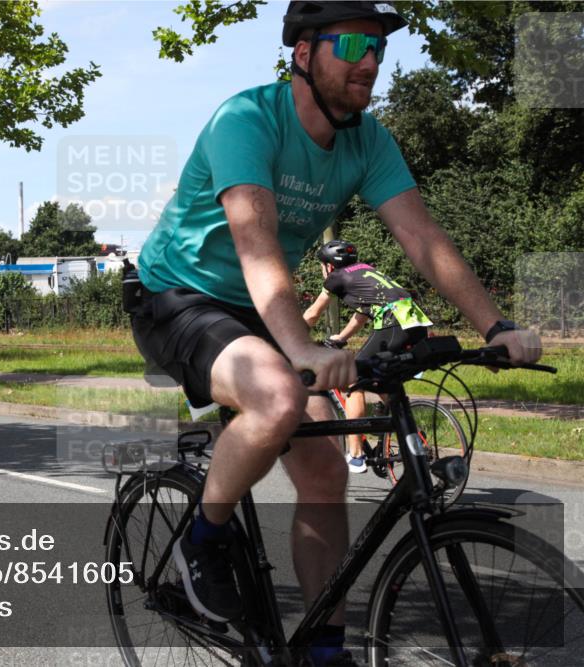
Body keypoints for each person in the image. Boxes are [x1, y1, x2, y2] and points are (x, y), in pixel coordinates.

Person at [128, 2, 540, 664]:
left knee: (324, 467)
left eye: (377, 48)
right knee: (279, 396)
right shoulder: (247, 121)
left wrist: (495, 324)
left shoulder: (367, 141)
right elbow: (257, 245)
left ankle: (322, 646)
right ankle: (201, 541)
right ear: (302, 53)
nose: (369, 61)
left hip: (257, 309)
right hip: (176, 296)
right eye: (351, 44)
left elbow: (423, 238)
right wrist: (301, 350)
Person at [303, 239, 432, 473]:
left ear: (329, 266)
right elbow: (362, 315)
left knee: (352, 379)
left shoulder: (336, 278)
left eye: (322, 265)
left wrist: (289, 339)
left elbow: (312, 313)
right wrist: (340, 338)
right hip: (418, 327)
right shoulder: (366, 272)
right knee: (382, 380)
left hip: (394, 326)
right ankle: (408, 430)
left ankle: (355, 455)